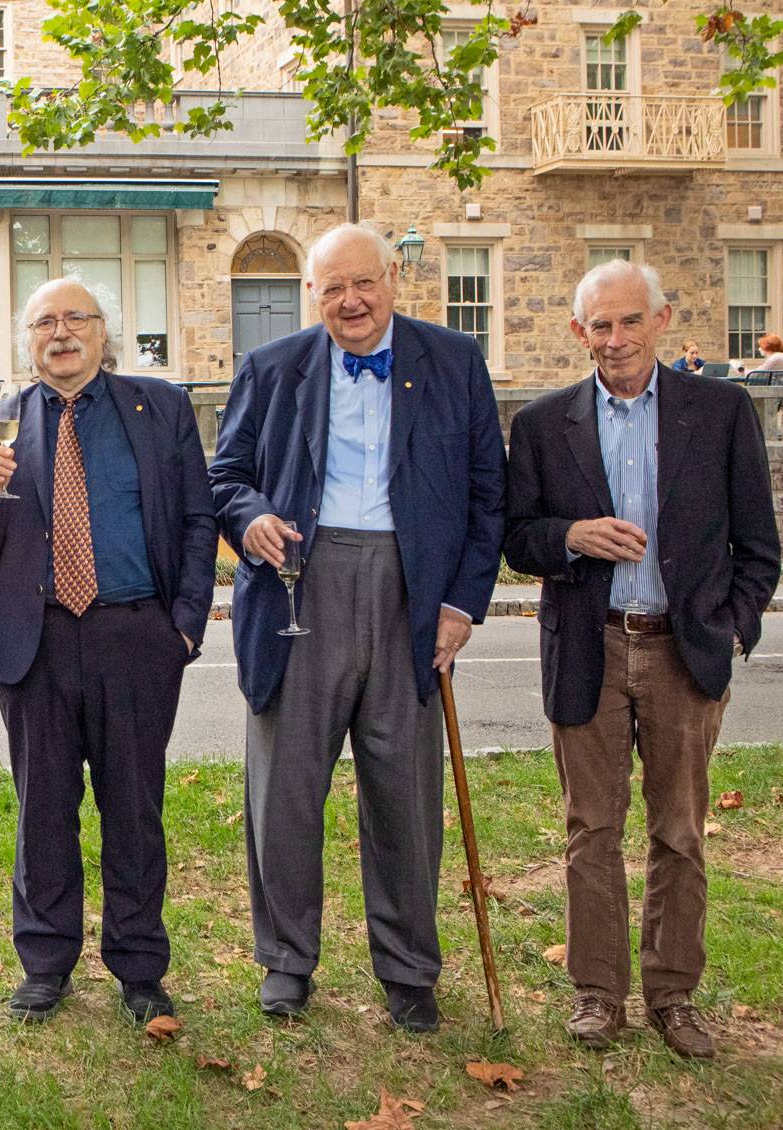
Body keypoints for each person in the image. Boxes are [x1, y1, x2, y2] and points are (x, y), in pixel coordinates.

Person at [210, 223, 506, 1032]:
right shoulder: (272, 369)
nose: (350, 301)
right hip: (298, 589)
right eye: (332, 288)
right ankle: (286, 961)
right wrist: (252, 518)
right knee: (286, 794)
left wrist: (461, 603)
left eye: (363, 284)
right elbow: (225, 476)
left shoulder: (454, 362)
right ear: (313, 295)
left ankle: (409, 969)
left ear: (394, 281)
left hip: (414, 594)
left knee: (405, 795)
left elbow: (489, 497)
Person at [503, 259, 780, 1059]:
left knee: (680, 831)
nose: (615, 339)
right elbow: (518, 537)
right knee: (591, 830)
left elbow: (758, 547)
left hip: (681, 651)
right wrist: (571, 537)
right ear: (577, 332)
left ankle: (673, 993)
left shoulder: (720, 412)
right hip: (588, 645)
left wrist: (731, 629)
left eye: (630, 322)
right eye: (600, 325)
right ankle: (598, 992)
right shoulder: (546, 422)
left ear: (661, 322)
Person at [0, 279, 216, 1025]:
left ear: (107, 332)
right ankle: (45, 962)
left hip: (134, 634)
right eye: (44, 322)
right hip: (32, 639)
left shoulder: (158, 408)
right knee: (43, 807)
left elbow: (199, 519)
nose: (61, 332)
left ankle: (139, 966)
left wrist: (186, 625)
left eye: (77, 319)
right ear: (27, 340)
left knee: (134, 808)